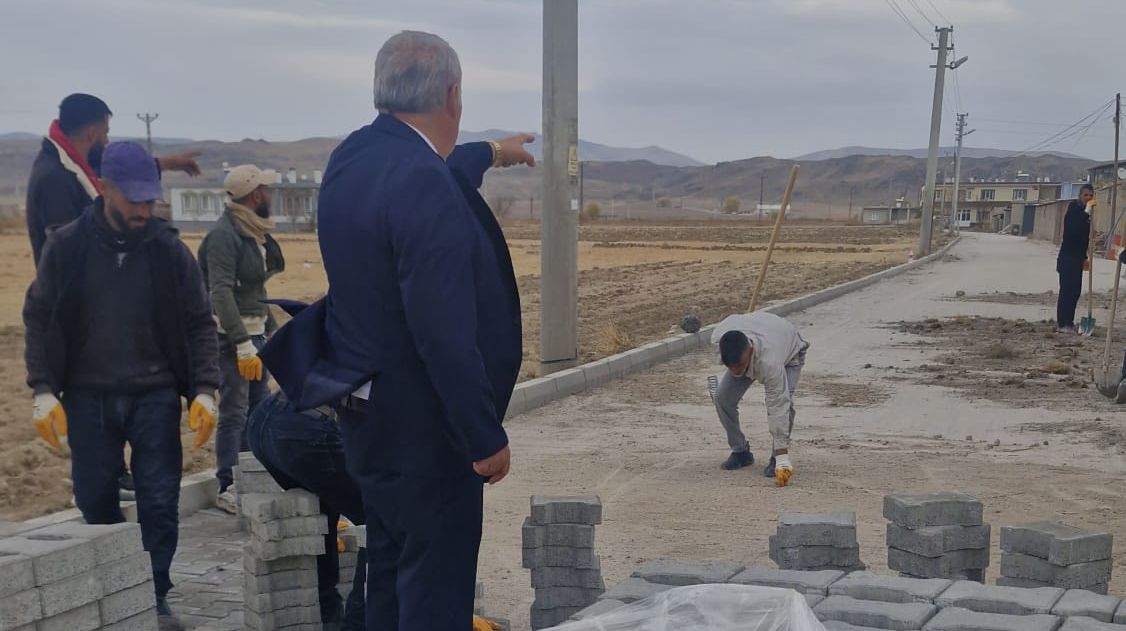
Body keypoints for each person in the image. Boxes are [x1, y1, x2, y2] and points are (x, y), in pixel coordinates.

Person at [260, 30, 534, 631]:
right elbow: (442, 331)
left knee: (387, 567)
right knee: (435, 588)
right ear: (453, 95)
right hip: (427, 430)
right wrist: (483, 435)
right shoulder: (420, 181)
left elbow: (436, 171)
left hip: (369, 417)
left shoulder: (355, 157)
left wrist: (492, 150)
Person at [23, 141, 220, 631]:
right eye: (132, 199)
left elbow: (199, 322)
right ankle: (113, 588)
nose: (142, 210)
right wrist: (43, 388)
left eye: (149, 200)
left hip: (154, 394)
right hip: (87, 394)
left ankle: (154, 592)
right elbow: (39, 316)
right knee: (95, 498)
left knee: (158, 500)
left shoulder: (168, 250)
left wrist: (204, 389)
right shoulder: (66, 246)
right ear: (105, 189)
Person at [25, 93, 202, 499]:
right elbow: (79, 237)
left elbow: (113, 185)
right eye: (106, 131)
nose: (107, 138)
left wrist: (165, 164)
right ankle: (105, 479)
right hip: (81, 312)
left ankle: (115, 474)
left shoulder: (67, 165)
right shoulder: (55, 178)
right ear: (93, 131)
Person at [197, 165, 285, 513]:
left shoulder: (251, 231)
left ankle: (251, 474)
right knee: (235, 410)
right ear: (255, 193)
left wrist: (270, 331)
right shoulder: (224, 235)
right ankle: (228, 484)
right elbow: (220, 292)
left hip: (256, 333)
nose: (271, 194)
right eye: (266, 188)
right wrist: (241, 342)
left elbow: (257, 288)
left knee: (258, 408)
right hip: (232, 339)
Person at [247, 389, 366, 631]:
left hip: (264, 418)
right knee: (382, 521)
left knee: (326, 504)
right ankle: (357, 623)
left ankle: (329, 613)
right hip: (304, 430)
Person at [710, 312, 809, 487]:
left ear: (750, 350)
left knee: (786, 404)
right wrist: (737, 366)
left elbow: (778, 405)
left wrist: (782, 456)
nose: (735, 373)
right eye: (729, 367)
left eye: (738, 367)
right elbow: (735, 364)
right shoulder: (721, 338)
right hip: (757, 338)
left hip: (788, 353)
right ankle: (740, 451)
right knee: (722, 398)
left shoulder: (770, 362)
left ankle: (776, 458)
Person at [1056, 184, 1095, 334]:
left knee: (1075, 291)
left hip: (1077, 258)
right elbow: (1073, 231)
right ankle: (1062, 323)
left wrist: (1085, 257)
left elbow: (1083, 238)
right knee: (1067, 290)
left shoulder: (1086, 214)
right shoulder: (1074, 210)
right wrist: (1086, 212)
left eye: (1091, 196)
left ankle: (1069, 322)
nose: (1088, 198)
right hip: (1067, 258)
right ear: (1080, 196)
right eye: (1086, 195)